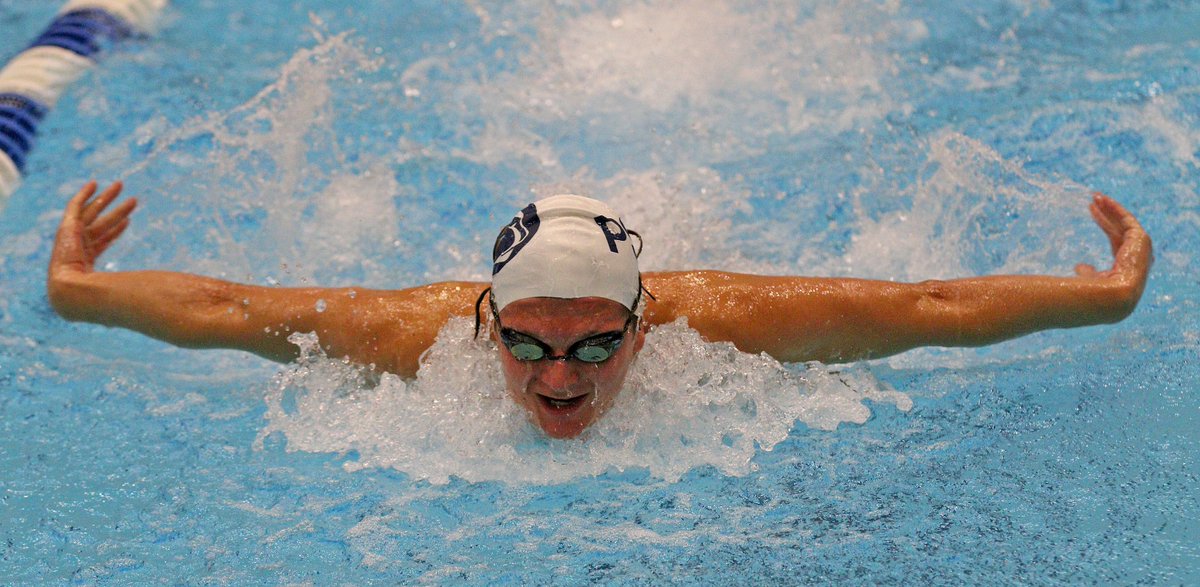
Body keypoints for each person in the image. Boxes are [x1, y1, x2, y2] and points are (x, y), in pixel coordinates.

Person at [48, 181, 1153, 438]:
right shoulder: (417, 332)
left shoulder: (712, 320)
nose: (559, 378)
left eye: (593, 344)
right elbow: (233, 308)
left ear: (643, 321)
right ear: (487, 321)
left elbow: (928, 303)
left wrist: (1105, 301)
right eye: (525, 342)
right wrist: (81, 289)